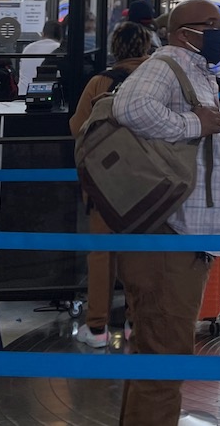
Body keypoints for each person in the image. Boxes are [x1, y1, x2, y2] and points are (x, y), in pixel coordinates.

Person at [112, 0, 220, 426]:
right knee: (166, 357)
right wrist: (193, 126)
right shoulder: (166, 65)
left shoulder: (197, 72)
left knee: (155, 353)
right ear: (186, 32)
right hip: (169, 236)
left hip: (184, 233)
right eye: (213, 25)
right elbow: (129, 108)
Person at [69, 21, 157, 349]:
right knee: (141, 254)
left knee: (102, 253)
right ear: (146, 46)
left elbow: (78, 127)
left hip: (103, 183)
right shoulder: (156, 79)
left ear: (114, 48)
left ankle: (97, 328)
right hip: (148, 182)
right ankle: (136, 322)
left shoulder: (98, 83)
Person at [19, 18, 63, 93]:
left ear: (43, 33)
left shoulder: (28, 48)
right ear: (61, 36)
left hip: (22, 92)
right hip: (44, 93)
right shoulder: (58, 49)